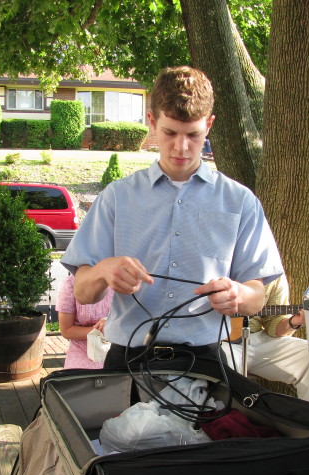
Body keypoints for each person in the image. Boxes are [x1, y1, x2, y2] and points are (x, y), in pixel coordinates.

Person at [61, 66, 283, 368]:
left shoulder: (240, 201)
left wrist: (238, 294)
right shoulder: (117, 197)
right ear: (152, 121)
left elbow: (257, 297)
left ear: (210, 125)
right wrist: (103, 270)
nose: (181, 147)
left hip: (204, 360)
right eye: (170, 132)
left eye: (193, 134)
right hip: (128, 360)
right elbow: (83, 293)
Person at [222, 274, 309, 404]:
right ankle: (229, 418)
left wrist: (294, 322)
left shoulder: (273, 273)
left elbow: (274, 322)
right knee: (225, 360)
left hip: (259, 338)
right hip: (223, 340)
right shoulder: (219, 265)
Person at [56, 272, 113, 369]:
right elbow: (66, 330)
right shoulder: (71, 283)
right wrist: (102, 329)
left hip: (118, 355)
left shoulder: (124, 282)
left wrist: (113, 324)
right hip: (82, 356)